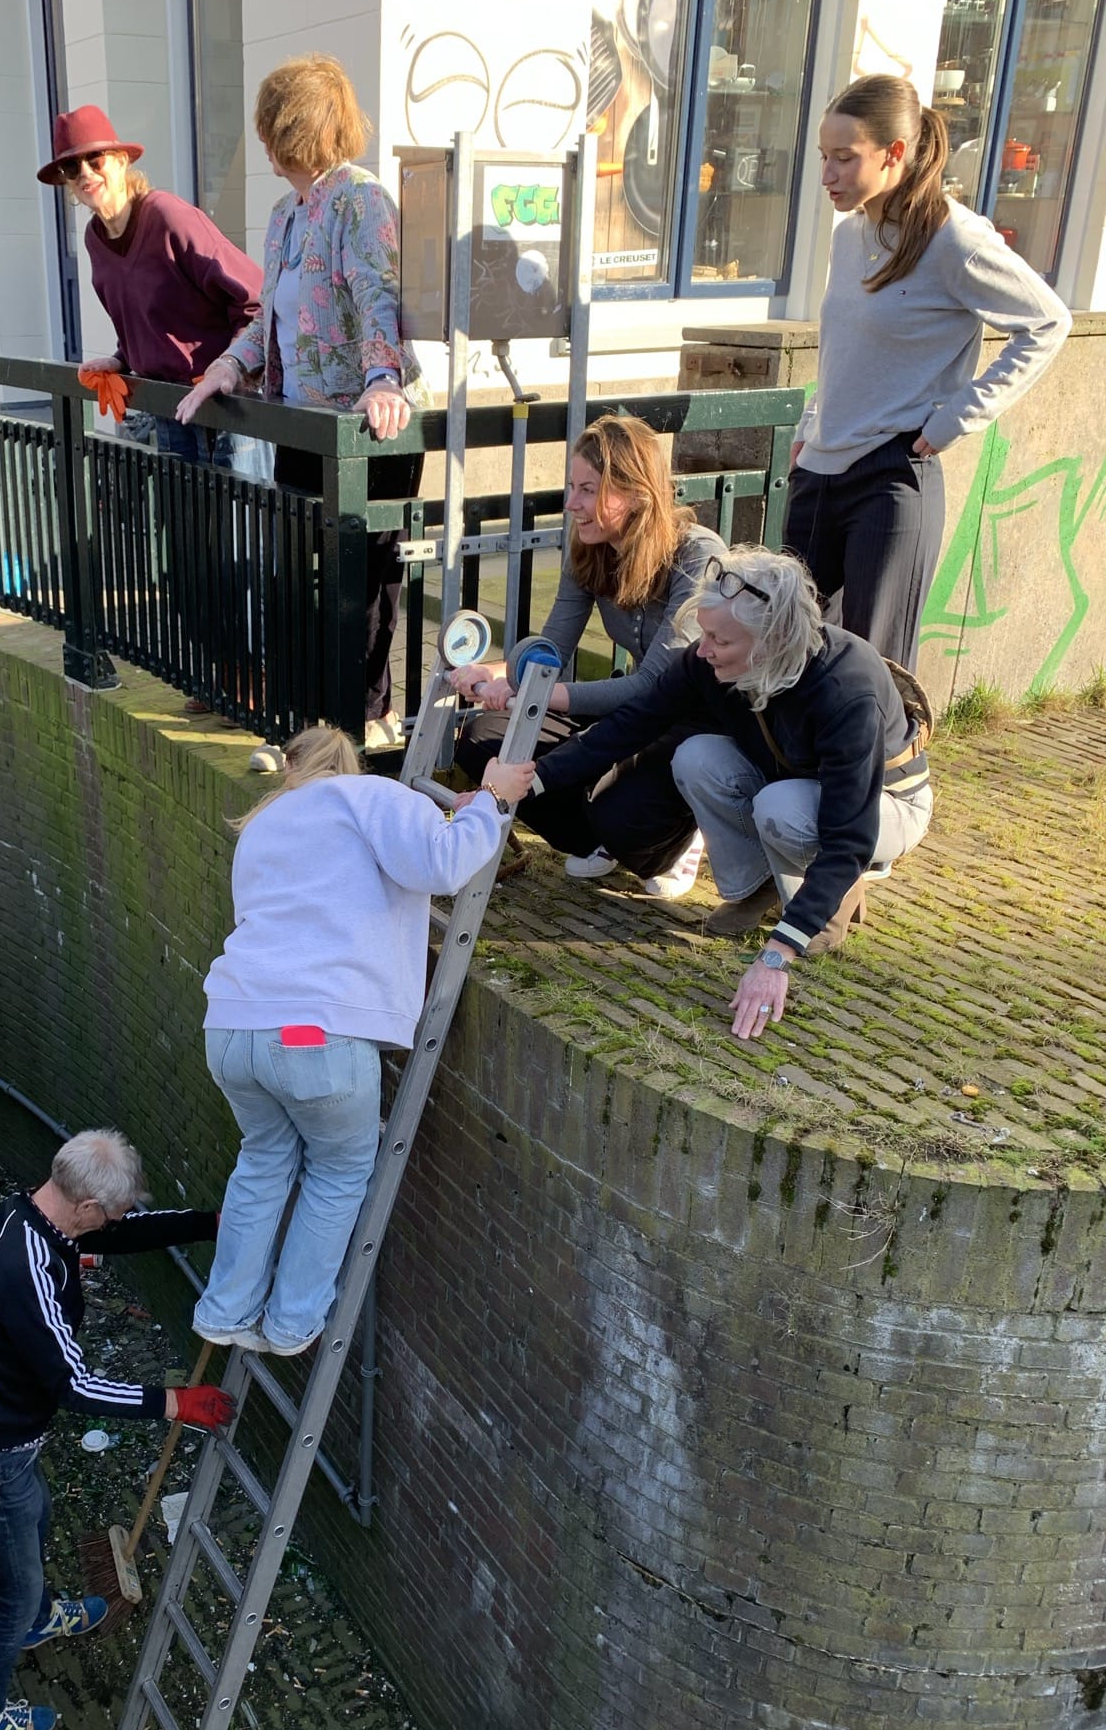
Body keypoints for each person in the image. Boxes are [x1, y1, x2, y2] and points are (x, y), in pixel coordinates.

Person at [484, 548, 933, 1042]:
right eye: (705, 634)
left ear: (772, 641)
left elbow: (848, 834)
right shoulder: (711, 660)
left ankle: (824, 906)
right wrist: (527, 780)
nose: (703, 651)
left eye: (720, 639)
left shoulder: (846, 688)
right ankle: (758, 888)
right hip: (795, 784)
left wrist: (776, 955)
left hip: (885, 804)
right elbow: (631, 723)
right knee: (697, 756)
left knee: (783, 810)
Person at [191, 725, 510, 1356]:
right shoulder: (370, 796)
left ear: (291, 765)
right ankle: (291, 1325)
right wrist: (492, 802)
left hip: (231, 1022)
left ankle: (225, 1310)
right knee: (338, 1171)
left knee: (263, 1161)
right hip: (313, 1031)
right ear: (349, 764)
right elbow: (443, 864)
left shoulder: (262, 824)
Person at [0, 1128, 233, 1730]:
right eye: (110, 1213)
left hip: (0, 1440)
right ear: (86, 1206)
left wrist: (208, 1224)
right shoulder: (28, 1268)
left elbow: (121, 1233)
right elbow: (74, 1384)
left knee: (35, 1520)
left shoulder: (36, 1214)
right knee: (11, 1594)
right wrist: (174, 1402)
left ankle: (39, 1619)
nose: (115, 1222)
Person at [176, 55, 423, 760]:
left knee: (363, 588)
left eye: (273, 129)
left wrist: (383, 379)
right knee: (296, 578)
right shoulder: (285, 215)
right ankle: (304, 725)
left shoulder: (361, 201)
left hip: (366, 429)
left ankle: (362, 724)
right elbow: (269, 319)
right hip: (301, 424)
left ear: (295, 130)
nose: (266, 144)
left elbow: (379, 296)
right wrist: (228, 367)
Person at [788, 74, 1070, 669]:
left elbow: (1047, 322)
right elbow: (846, 346)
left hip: (891, 474)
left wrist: (955, 418)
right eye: (823, 156)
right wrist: (810, 424)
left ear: (894, 153)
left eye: (844, 157)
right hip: (818, 468)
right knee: (787, 654)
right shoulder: (850, 235)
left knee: (872, 669)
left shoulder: (956, 240)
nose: (828, 174)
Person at [447, 413, 724, 896]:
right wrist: (497, 674)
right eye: (572, 487)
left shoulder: (697, 556)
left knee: (619, 812)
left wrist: (535, 695)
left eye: (588, 490)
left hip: (692, 722)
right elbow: (550, 649)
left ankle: (682, 833)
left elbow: (654, 687)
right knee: (483, 738)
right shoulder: (588, 549)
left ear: (636, 493)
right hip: (634, 719)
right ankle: (600, 839)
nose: (571, 504)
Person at [38, 106, 274, 485]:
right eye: (71, 167)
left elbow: (255, 301)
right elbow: (148, 318)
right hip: (170, 406)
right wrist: (122, 359)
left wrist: (232, 368)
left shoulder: (167, 216)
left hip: (225, 404)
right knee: (184, 520)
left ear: (120, 161)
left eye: (95, 160)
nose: (85, 173)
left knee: (241, 520)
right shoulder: (95, 239)